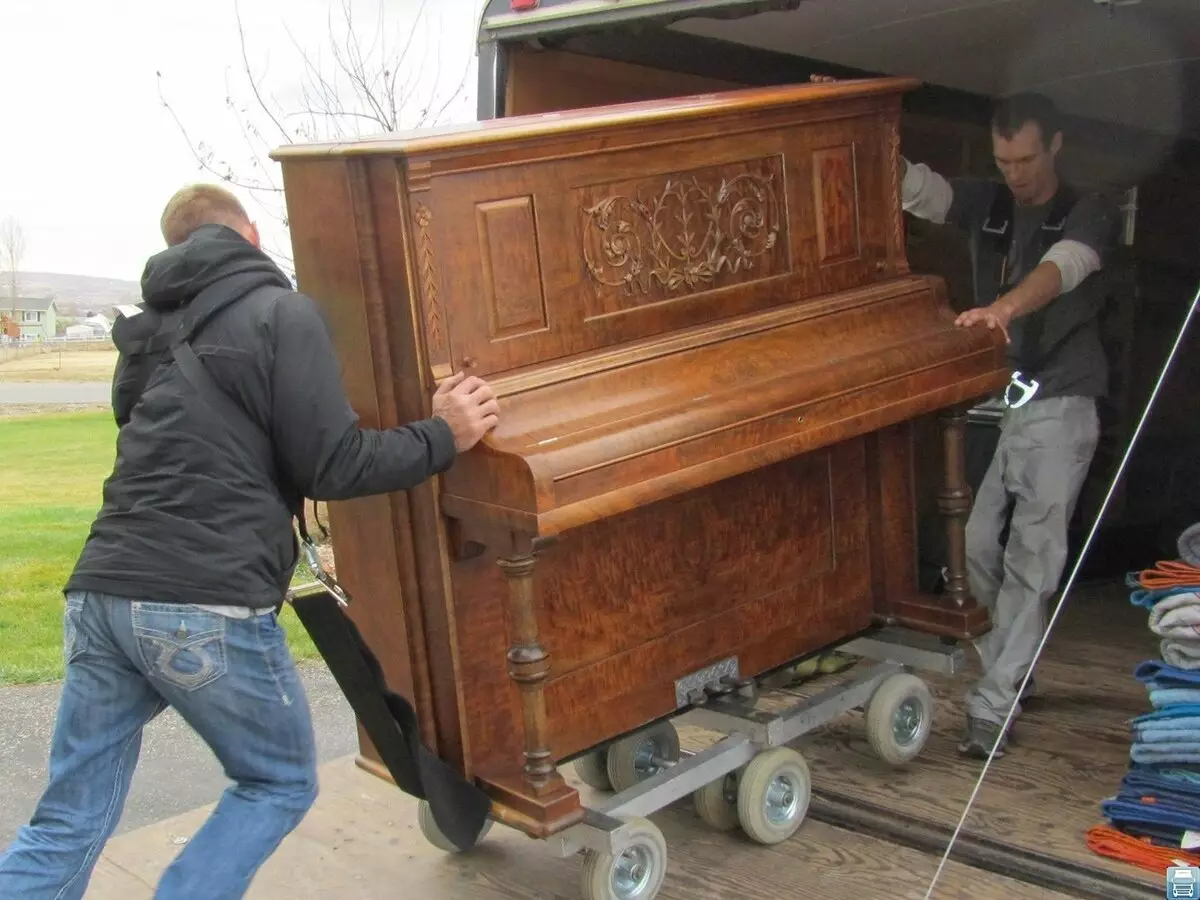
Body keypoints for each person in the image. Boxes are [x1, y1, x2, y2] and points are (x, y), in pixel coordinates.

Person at [0, 183, 500, 899]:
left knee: (68, 820)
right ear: (252, 235)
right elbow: (334, 463)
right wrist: (443, 434)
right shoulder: (280, 313)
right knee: (277, 781)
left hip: (99, 592)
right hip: (200, 600)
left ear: (175, 249)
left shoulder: (149, 332)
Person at [899, 92, 1119, 758]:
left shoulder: (1090, 210)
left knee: (1032, 557)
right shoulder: (989, 202)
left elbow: (1064, 269)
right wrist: (861, 130)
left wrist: (1001, 309)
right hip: (999, 404)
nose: (1014, 174)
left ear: (1054, 146)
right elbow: (920, 192)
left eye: (1024, 159)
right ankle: (1011, 667)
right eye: (1002, 161)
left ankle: (992, 705)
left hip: (1063, 402)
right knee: (971, 551)